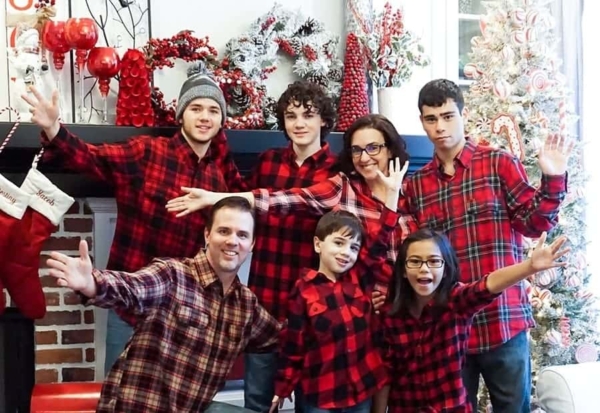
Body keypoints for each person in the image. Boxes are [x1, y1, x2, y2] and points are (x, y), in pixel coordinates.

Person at [22, 68, 246, 373]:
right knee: (118, 394)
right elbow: (91, 157)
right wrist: (54, 130)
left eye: (213, 110)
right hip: (130, 306)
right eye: (196, 108)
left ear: (221, 121)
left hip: (182, 314)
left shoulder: (218, 178)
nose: (204, 117)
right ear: (181, 114)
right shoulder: (146, 152)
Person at [404, 79, 572, 412]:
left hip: (502, 319)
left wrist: (553, 179)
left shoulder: (498, 163)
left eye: (448, 116)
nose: (440, 126)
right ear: (422, 121)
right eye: (431, 118)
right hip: (450, 328)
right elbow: (414, 257)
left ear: (462, 115)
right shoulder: (417, 185)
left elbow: (533, 222)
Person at [45, 196, 281, 412]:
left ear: (251, 245)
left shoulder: (245, 306)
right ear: (207, 235)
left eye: (242, 235)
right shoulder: (172, 274)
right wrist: (92, 283)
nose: (232, 241)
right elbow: (132, 287)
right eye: (223, 231)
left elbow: (276, 338)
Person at [167, 114, 416, 294]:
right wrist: (214, 198)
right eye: (356, 150)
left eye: (373, 148)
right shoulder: (344, 187)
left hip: (408, 308)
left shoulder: (412, 192)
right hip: (357, 308)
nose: (364, 157)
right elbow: (284, 199)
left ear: (390, 149)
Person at [373, 228, 569, 412]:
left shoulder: (456, 302)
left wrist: (529, 267)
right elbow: (385, 376)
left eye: (433, 261)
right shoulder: (391, 315)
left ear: (446, 268)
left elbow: (488, 285)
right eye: (415, 261)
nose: (424, 268)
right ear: (404, 270)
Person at [269, 157, 404, 413]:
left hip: (360, 389)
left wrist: (393, 194)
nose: (347, 252)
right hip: (319, 394)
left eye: (353, 247)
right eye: (339, 243)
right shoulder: (303, 290)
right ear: (319, 244)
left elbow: (380, 238)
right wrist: (283, 387)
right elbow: (294, 345)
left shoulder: (360, 277)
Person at [241, 80, 337, 413]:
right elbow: (245, 212)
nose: (298, 123)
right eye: (291, 115)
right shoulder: (267, 163)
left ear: (323, 119)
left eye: (308, 115)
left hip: (312, 306)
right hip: (264, 298)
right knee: (257, 400)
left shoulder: (337, 171)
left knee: (312, 405)